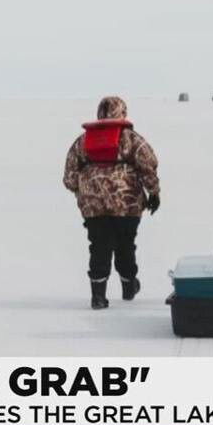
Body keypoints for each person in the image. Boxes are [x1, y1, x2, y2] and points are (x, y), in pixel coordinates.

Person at [63, 97, 160, 309]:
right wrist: (154, 192)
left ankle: (98, 295)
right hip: (127, 204)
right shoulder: (131, 138)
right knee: (126, 244)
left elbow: (69, 176)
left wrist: (85, 192)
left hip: (93, 207)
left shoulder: (83, 141)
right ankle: (128, 286)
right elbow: (148, 164)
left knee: (99, 246)